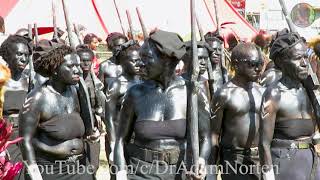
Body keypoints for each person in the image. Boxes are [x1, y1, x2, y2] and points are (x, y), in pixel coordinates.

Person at [114, 30, 211, 180]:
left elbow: (205, 137)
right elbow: (121, 140)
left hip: (180, 172)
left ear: (166, 60)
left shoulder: (191, 93)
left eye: (146, 58)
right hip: (142, 172)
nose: (140, 63)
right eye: (140, 57)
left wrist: (201, 161)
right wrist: (120, 173)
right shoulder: (135, 94)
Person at [19, 44, 94, 180]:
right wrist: (35, 174)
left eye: (78, 65)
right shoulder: (37, 98)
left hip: (79, 167)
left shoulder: (75, 91)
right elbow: (25, 140)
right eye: (71, 66)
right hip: (50, 170)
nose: (78, 70)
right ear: (55, 70)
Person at [259, 30, 320, 180]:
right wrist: (269, 175)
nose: (304, 63)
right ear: (281, 62)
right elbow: (263, 143)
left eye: (305, 56)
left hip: (310, 161)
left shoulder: (307, 88)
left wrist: (315, 93)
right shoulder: (274, 94)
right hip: (286, 162)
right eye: (298, 58)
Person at [209, 43, 264, 180]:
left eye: (260, 63)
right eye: (252, 64)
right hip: (234, 160)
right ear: (236, 64)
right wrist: (211, 170)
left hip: (260, 158)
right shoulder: (223, 95)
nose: (258, 68)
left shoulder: (262, 92)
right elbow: (214, 135)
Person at [76, 44, 105, 175]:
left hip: (93, 128)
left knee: (93, 164)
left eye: (88, 60)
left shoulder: (96, 83)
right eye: (82, 60)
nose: (85, 63)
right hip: (77, 128)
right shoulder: (72, 84)